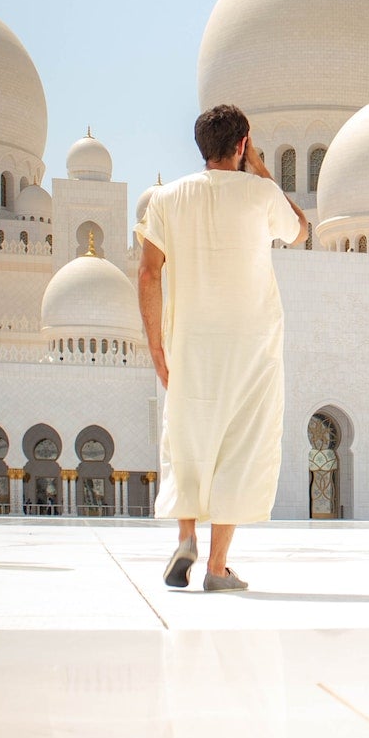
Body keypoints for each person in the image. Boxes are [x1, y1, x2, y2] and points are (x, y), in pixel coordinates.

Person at [136, 103, 307, 592]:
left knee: (187, 441)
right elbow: (300, 231)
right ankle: (216, 568)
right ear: (241, 144)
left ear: (201, 147)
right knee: (241, 444)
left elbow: (149, 272)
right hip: (251, 345)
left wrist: (156, 347)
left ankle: (186, 536)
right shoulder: (260, 195)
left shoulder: (166, 199)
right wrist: (263, 172)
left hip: (188, 343)